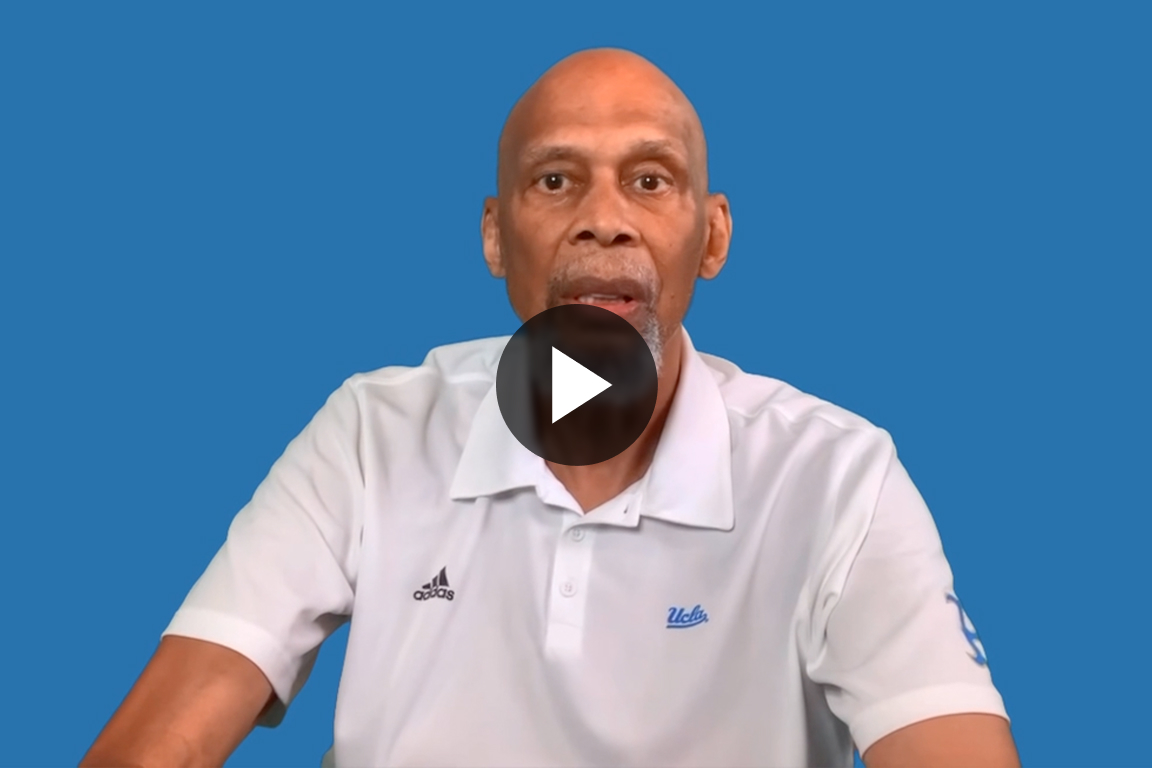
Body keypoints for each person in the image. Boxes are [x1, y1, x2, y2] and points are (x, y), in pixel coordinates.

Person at [81, 48, 1019, 767]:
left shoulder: (836, 476)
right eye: (555, 180)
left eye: (649, 181)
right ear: (496, 235)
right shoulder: (373, 432)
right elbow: (162, 739)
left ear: (713, 237)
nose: (602, 217)